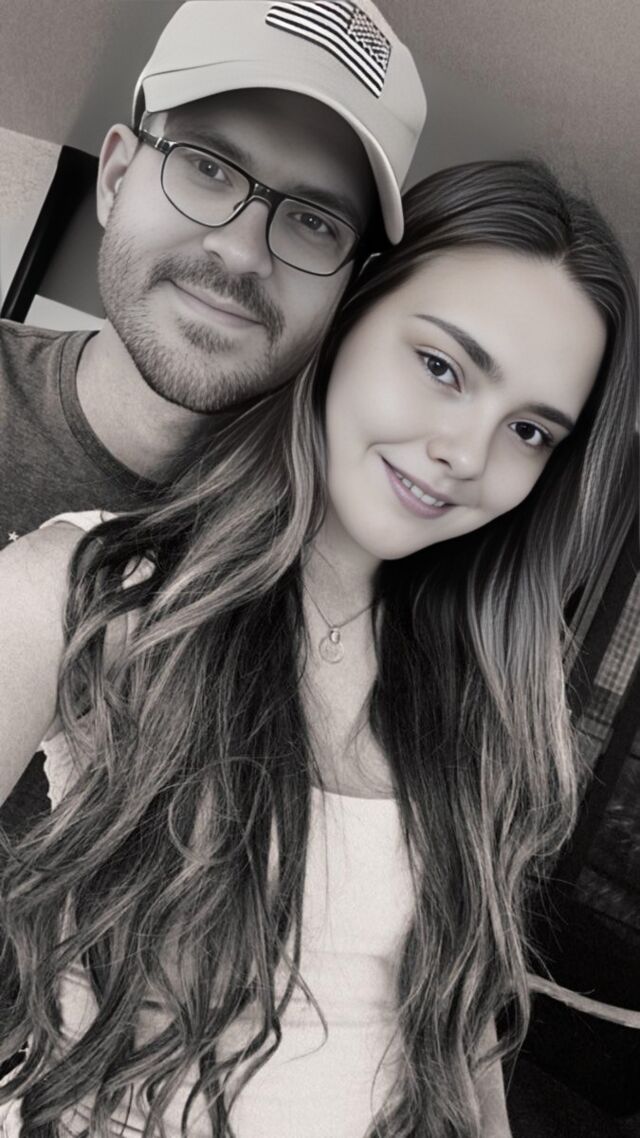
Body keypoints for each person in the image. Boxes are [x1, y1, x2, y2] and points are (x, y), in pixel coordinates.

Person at [0, 158, 637, 1138]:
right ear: (349, 317)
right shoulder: (91, 590)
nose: (466, 454)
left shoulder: (490, 687)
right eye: (442, 366)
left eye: (528, 429)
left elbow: (454, 1015)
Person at [0, 0, 426, 839]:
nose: (241, 251)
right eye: (208, 168)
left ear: (351, 282)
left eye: (314, 221)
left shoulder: (336, 578)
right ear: (116, 176)